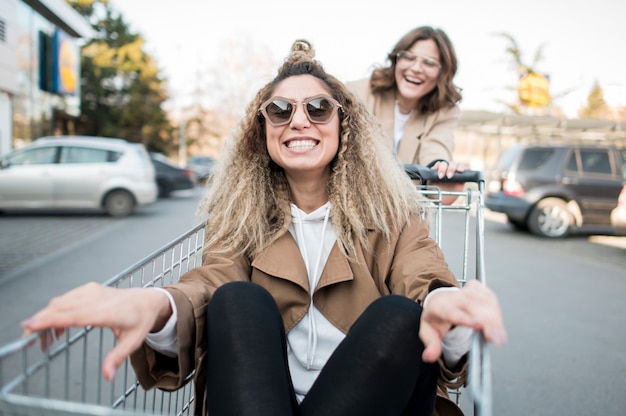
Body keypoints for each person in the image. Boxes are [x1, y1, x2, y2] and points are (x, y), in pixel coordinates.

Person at [21, 39, 507, 416]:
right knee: (237, 298)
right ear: (262, 129)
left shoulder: (392, 213)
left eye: (318, 108)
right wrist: (155, 304)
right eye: (280, 110)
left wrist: (448, 305)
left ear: (344, 125)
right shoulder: (243, 218)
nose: (299, 121)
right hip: (260, 401)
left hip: (373, 400)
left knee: (401, 315)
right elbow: (210, 283)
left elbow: (422, 275)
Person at [347, 26, 464, 204]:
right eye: (408, 57)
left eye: (429, 63)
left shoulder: (445, 111)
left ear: (443, 72)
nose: (416, 68)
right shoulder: (357, 93)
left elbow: (436, 145)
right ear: (396, 60)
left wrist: (439, 169)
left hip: (406, 215)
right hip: (355, 205)